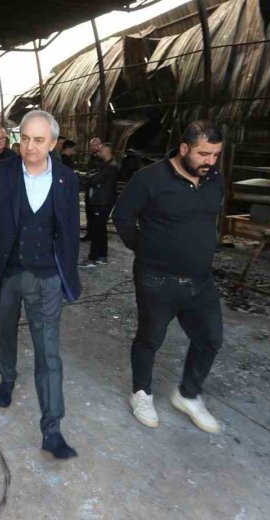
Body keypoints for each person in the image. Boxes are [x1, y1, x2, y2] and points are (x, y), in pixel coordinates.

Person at [0, 110, 81, 460]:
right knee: (4, 331)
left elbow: (70, 231)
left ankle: (52, 430)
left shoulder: (66, 179)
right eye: (25, 138)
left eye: (39, 140)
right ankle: (7, 377)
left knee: (48, 351)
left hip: (47, 278)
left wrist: (67, 274)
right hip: (5, 272)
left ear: (53, 143)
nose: (30, 147)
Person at [112, 120, 225, 434]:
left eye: (216, 155)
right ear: (184, 148)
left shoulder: (214, 179)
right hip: (157, 279)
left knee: (210, 338)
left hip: (200, 279)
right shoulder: (149, 179)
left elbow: (209, 218)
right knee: (150, 338)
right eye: (204, 154)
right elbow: (122, 217)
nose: (210, 161)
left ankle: (187, 395)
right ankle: (141, 393)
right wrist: (144, 248)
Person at [79, 143, 119, 268]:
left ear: (107, 151)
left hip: (103, 202)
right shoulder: (106, 165)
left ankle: (93, 258)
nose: (98, 152)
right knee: (101, 229)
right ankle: (102, 255)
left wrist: (90, 178)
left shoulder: (111, 167)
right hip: (103, 200)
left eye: (101, 150)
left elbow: (95, 180)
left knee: (97, 229)